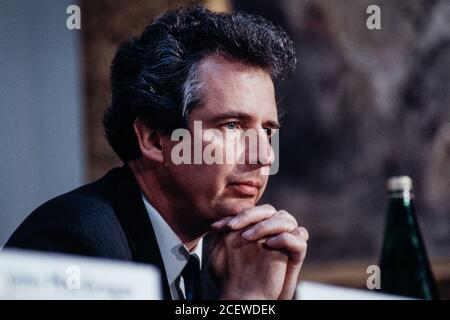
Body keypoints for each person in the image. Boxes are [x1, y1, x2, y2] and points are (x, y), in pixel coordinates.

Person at [5, 5, 308, 300]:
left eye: (267, 131)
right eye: (231, 126)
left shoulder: (236, 260)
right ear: (154, 140)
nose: (264, 156)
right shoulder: (73, 245)